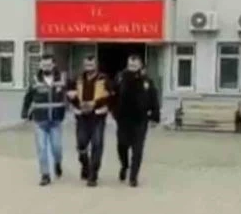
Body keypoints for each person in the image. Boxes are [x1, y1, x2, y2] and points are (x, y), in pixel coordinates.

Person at [111, 54, 160, 187]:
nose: (132, 68)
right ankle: (124, 165)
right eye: (130, 65)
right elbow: (112, 95)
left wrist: (155, 116)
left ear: (140, 66)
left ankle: (133, 177)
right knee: (122, 146)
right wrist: (114, 112)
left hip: (140, 120)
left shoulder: (146, 82)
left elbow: (154, 99)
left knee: (137, 149)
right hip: (123, 119)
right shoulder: (120, 78)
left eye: (135, 65)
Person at [21, 55, 66, 186]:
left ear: (54, 65)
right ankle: (45, 174)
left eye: (48, 65)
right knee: (42, 148)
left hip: (56, 120)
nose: (46, 67)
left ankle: (57, 163)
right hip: (40, 120)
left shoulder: (61, 79)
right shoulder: (35, 80)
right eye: (44, 65)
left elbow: (69, 95)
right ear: (40, 66)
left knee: (57, 148)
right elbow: (28, 97)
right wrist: (24, 112)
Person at [66, 55, 112, 187]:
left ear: (96, 65)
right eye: (86, 65)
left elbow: (111, 95)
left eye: (91, 65)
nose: (88, 67)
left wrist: (95, 104)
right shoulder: (77, 78)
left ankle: (93, 175)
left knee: (97, 144)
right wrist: (75, 101)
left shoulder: (104, 79)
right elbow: (69, 94)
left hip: (97, 116)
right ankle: (85, 165)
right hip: (81, 117)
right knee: (81, 144)